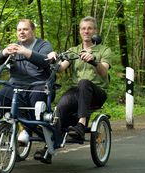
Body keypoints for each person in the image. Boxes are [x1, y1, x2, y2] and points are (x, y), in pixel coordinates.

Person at [34, 16, 112, 162]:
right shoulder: (74, 50)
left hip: (98, 92)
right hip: (78, 91)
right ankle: (49, 148)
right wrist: (54, 58)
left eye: (89, 28)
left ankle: (81, 125)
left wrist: (94, 61)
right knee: (60, 108)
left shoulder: (104, 50)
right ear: (80, 31)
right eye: (83, 28)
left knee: (84, 82)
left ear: (95, 31)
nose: (86, 31)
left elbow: (104, 72)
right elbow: (61, 68)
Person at [0, 19, 53, 149]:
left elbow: (45, 61)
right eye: (19, 30)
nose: (22, 32)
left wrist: (24, 52)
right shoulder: (14, 45)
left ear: (33, 31)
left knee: (35, 99)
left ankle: (26, 131)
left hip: (38, 84)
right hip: (15, 84)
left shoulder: (44, 45)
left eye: (25, 29)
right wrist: (5, 52)